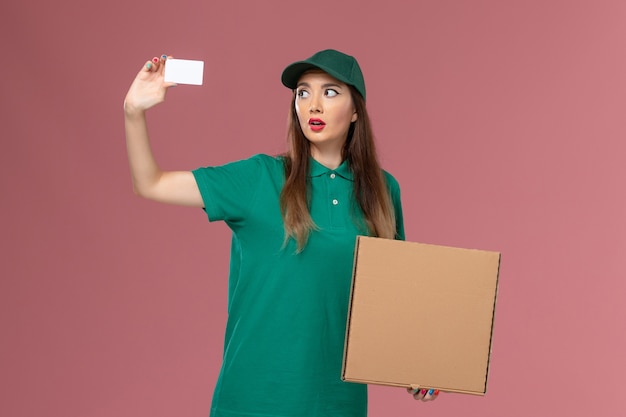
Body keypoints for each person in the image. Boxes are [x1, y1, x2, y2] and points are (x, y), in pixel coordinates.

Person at [123, 49, 439, 417]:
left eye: (331, 92)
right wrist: (134, 113)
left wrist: (420, 367)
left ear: (356, 111)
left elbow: (391, 303)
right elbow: (150, 183)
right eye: (303, 93)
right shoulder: (259, 178)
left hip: (339, 405)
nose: (313, 105)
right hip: (252, 402)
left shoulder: (383, 192)